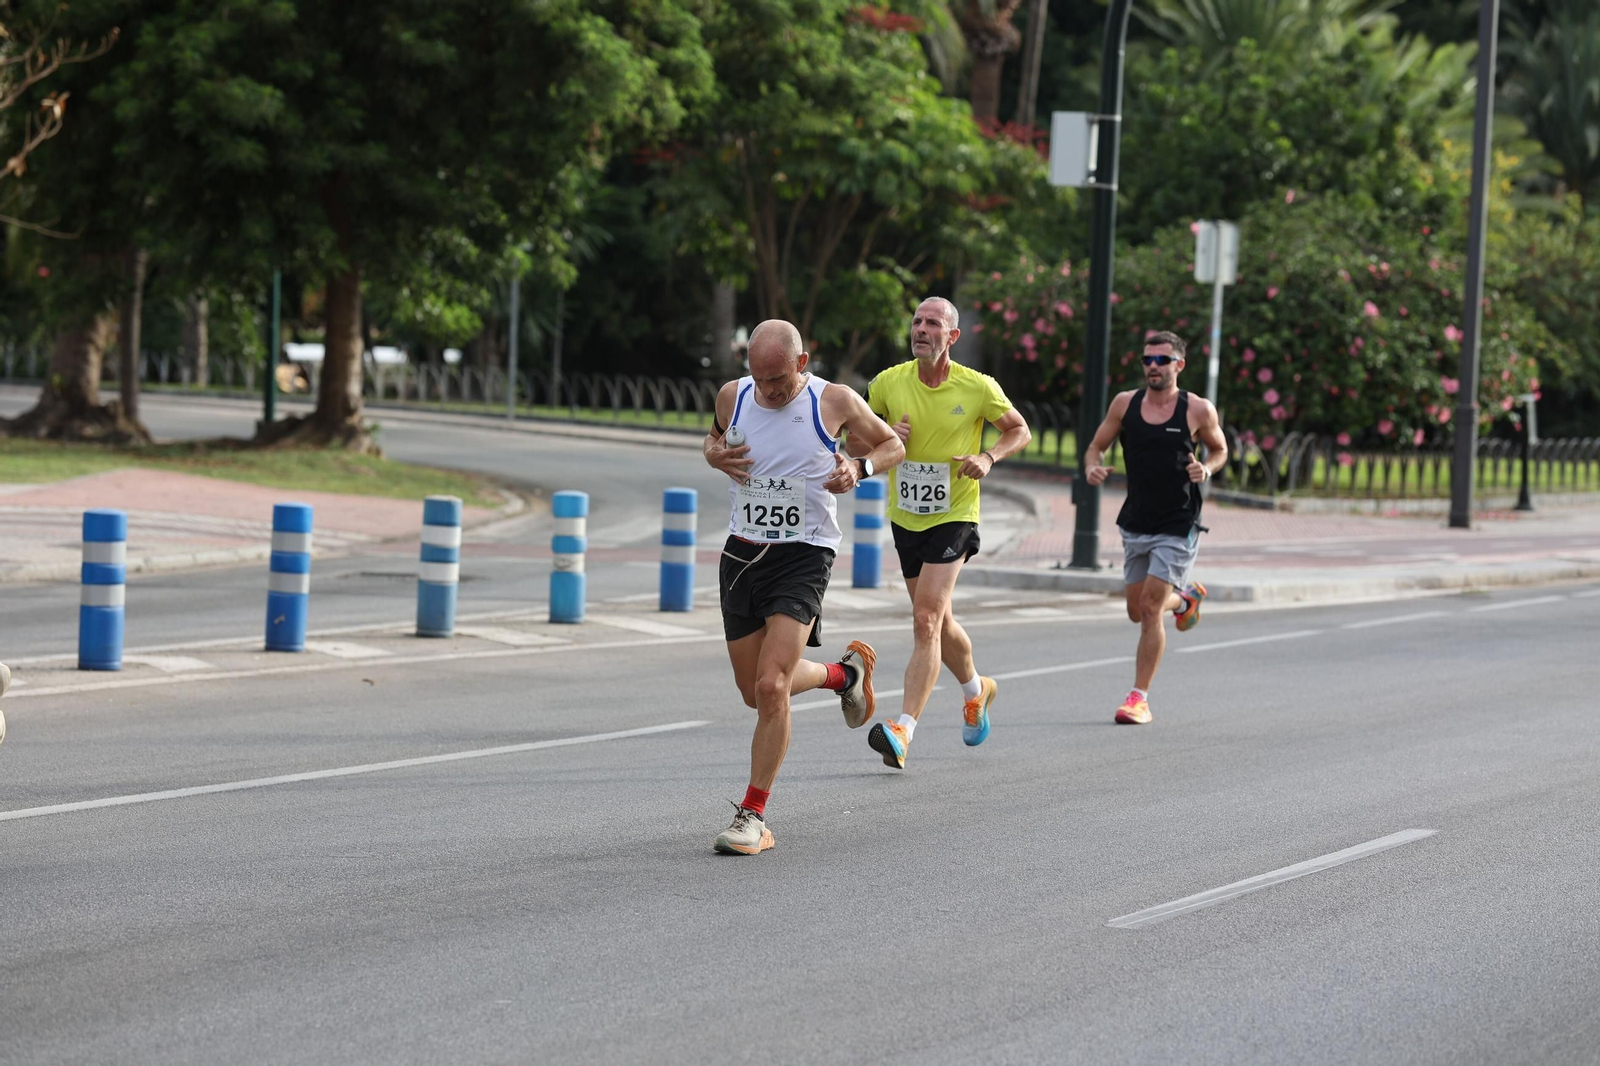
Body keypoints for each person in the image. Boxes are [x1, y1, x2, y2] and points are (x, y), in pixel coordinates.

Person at [703, 319, 904, 855]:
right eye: (758, 378)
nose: (767, 390)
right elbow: (714, 438)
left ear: (802, 362)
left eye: (777, 379)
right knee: (754, 693)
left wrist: (858, 468)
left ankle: (754, 816)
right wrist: (712, 454)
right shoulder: (733, 396)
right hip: (742, 553)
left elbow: (891, 446)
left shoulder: (832, 401)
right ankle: (844, 674)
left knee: (773, 687)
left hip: (805, 554)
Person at [849, 297, 1031, 770]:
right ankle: (976, 689)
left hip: (955, 513)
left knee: (926, 619)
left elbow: (1020, 430)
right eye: (916, 322)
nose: (921, 329)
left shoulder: (977, 387)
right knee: (939, 621)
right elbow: (852, 441)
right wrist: (886, 432)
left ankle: (903, 729)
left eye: (933, 324)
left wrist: (988, 457)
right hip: (906, 516)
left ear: (952, 337)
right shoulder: (888, 382)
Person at [1082, 330, 1228, 725]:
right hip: (1137, 519)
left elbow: (1220, 449)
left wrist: (1207, 468)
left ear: (1178, 365)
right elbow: (1097, 445)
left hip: (1179, 521)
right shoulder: (1125, 404)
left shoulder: (1197, 410)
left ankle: (1138, 698)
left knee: (1149, 608)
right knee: (1135, 609)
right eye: (1148, 360)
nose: (1152, 367)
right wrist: (1092, 466)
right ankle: (1186, 601)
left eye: (1162, 361)